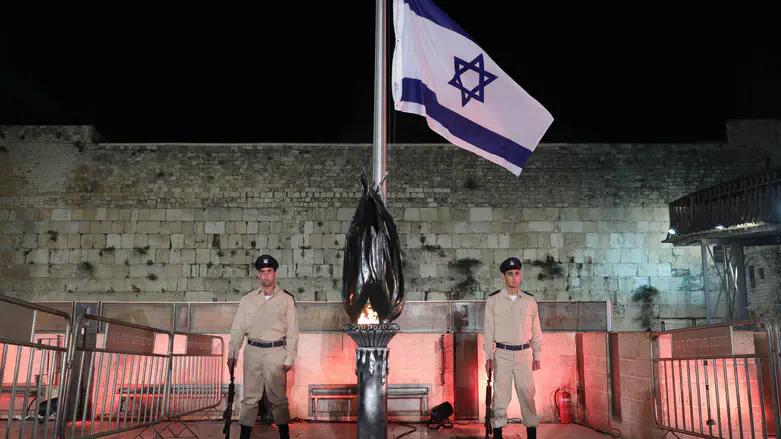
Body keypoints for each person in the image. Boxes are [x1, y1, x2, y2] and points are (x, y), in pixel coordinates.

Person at [228, 254, 299, 439]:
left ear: (275, 273)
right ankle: (244, 435)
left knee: (278, 399)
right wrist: (232, 353)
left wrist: (290, 357)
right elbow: (238, 329)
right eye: (262, 272)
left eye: (269, 271)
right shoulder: (248, 300)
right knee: (250, 397)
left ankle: (284, 435)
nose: (266, 275)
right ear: (258, 275)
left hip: (276, 351)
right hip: (253, 351)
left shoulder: (286, 300)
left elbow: (292, 331)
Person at [483, 257, 543, 439]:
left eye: (517, 274)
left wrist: (537, 355)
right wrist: (488, 357)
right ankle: (498, 434)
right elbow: (488, 331)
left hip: (524, 354)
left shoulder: (530, 301)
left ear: (520, 276)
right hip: (502, 354)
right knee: (500, 398)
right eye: (510, 274)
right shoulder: (493, 300)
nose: (514, 278)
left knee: (527, 396)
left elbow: (536, 330)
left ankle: (531, 434)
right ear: (504, 277)